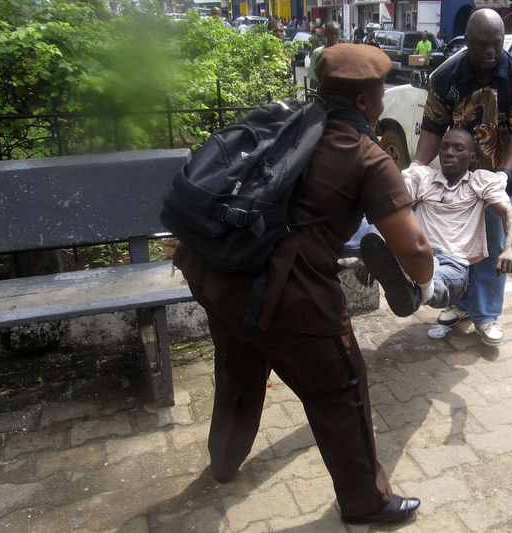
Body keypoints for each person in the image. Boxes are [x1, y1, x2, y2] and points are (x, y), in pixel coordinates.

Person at [173, 43, 432, 524]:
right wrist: (426, 283)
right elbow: (414, 250)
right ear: (362, 102)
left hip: (215, 271)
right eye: (379, 92)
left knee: (237, 366)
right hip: (286, 296)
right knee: (341, 388)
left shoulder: (285, 119)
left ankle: (225, 462)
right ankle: (366, 502)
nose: (382, 101)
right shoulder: (365, 156)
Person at [411, 8, 512, 346]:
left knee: (495, 246)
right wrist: (418, 167)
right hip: (460, 180)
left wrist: (503, 174)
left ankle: (486, 315)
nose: (490, 52)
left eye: (496, 44)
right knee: (460, 245)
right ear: (466, 41)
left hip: (502, 179)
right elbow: (434, 128)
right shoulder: (445, 77)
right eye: (482, 44)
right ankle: (462, 304)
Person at [356, 128, 512, 317]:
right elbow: (391, 212)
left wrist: (511, 247)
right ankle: (411, 284)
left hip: (453, 264)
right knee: (370, 234)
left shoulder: (481, 181)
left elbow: (509, 213)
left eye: (458, 148)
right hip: (418, 253)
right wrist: (372, 252)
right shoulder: (422, 177)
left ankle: (415, 288)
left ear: (473, 157)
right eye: (444, 147)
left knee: (441, 281)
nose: (449, 152)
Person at [307, 21, 341, 90]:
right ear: (325, 34)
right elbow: (313, 78)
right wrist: (311, 98)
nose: (333, 36)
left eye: (336, 33)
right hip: (324, 95)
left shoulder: (345, 52)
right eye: (330, 33)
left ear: (339, 34)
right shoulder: (318, 52)